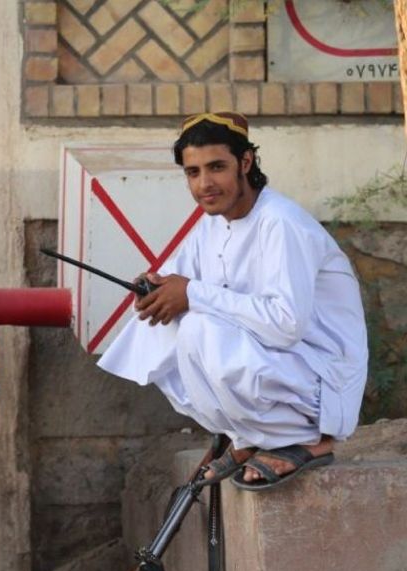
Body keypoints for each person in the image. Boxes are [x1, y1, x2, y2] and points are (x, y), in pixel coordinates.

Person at [97, 112, 368, 491]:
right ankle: (247, 436)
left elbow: (286, 324)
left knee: (200, 326)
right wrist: (153, 288)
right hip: (280, 364)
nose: (204, 184)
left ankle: (309, 439)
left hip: (321, 377)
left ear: (245, 162)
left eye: (217, 167)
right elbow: (177, 283)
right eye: (193, 172)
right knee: (167, 325)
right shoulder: (210, 225)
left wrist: (191, 293)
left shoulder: (280, 222)